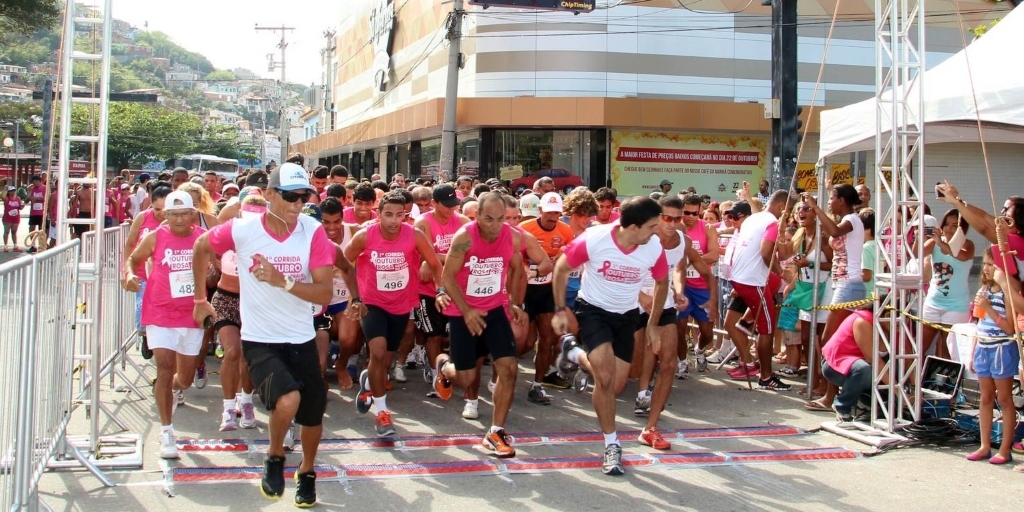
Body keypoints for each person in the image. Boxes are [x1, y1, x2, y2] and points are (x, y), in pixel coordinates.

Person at [192, 163, 337, 506]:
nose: (298, 204)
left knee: (313, 415)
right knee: (288, 400)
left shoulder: (312, 232)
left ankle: (308, 471)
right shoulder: (242, 229)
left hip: (301, 336)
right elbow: (200, 246)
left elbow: (324, 294)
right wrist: (200, 299)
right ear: (269, 195)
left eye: (304, 197)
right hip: (259, 339)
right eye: (290, 196)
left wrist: (282, 280)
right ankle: (275, 456)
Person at [552, 196, 669, 476]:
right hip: (593, 310)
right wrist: (559, 309)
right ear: (633, 226)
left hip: (626, 315)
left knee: (615, 384)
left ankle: (574, 353)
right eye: (652, 226)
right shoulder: (595, 239)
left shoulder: (653, 246)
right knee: (603, 379)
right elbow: (561, 268)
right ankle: (612, 444)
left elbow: (662, 282)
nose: (657, 231)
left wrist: (652, 324)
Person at [433, 192, 527, 457]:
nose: (494, 225)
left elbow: (517, 267)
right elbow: (447, 276)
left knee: (509, 368)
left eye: (500, 219)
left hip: (495, 308)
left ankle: (495, 432)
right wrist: (466, 310)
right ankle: (443, 366)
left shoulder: (513, 236)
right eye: (488, 218)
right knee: (466, 377)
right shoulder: (465, 237)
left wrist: (514, 301)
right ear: (477, 216)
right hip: (463, 310)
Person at [345, 191, 445, 437]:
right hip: (372, 303)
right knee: (377, 353)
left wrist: (440, 290)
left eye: (398, 215)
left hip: (401, 304)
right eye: (387, 214)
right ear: (378, 214)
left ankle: (369, 381)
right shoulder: (365, 235)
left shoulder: (414, 235)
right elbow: (344, 263)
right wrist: (354, 297)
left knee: (386, 360)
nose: (393, 220)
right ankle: (382, 413)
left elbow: (435, 264)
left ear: (405, 215)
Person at [121, 191, 205, 459]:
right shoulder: (156, 236)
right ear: (165, 215)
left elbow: (215, 264)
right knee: (165, 368)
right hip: (160, 312)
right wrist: (130, 274)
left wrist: (212, 272)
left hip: (191, 315)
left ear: (193, 214)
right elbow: (133, 258)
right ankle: (167, 431)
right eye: (173, 214)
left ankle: (168, 387)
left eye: (184, 214)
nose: (179, 219)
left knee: (186, 378)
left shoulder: (201, 238)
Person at [634, 196, 716, 450]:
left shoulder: (683, 241)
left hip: (664, 303)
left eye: (677, 219)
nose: (671, 223)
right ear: (657, 217)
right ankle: (639, 390)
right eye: (666, 218)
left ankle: (650, 427)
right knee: (627, 369)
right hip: (632, 300)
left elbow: (686, 270)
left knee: (668, 362)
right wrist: (642, 295)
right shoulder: (642, 239)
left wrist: (681, 291)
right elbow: (621, 272)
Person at [722, 193, 791, 391]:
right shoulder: (771, 222)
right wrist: (782, 272)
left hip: (742, 278)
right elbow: (766, 252)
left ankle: (757, 366)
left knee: (762, 326)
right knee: (767, 329)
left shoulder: (754, 218)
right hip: (754, 281)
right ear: (780, 206)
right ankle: (766, 377)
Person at [210, 195, 264, 432]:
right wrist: (238, 203)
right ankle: (228, 408)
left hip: (254, 302)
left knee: (247, 356)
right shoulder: (232, 233)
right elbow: (215, 224)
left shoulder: (268, 239)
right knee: (232, 351)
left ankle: (247, 400)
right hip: (225, 298)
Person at [412, 184, 470, 391]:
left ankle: (451, 367)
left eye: (453, 205)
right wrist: (451, 257)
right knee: (433, 335)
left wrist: (438, 259)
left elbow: (468, 251)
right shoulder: (422, 223)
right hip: (428, 289)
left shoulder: (462, 221)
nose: (450, 209)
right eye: (446, 205)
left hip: (455, 289)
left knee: (452, 335)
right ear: (433, 204)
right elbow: (425, 255)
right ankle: (438, 376)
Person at [520, 192, 576, 402]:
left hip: (548, 289)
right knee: (524, 343)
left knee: (548, 338)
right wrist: (528, 267)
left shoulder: (566, 230)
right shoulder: (526, 229)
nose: (553, 216)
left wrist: (556, 262)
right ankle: (503, 376)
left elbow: (569, 258)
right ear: (540, 210)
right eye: (549, 212)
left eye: (556, 213)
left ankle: (537, 384)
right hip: (525, 289)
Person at [966, 251, 1020, 465]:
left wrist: (989, 308)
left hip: (1002, 349)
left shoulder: (1007, 292)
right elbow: (979, 323)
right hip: (984, 347)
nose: (987, 268)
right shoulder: (983, 289)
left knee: (1004, 399)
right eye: (986, 264)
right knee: (986, 397)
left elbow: (1009, 328)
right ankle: (985, 445)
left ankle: (1005, 449)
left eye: (992, 265)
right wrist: (973, 350)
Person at [919, 209, 974, 359]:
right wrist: (919, 238)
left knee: (945, 349)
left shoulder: (968, 245)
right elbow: (916, 253)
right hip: (932, 303)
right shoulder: (935, 242)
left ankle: (942, 381)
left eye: (954, 225)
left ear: (962, 228)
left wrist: (941, 243)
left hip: (956, 306)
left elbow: (962, 255)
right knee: (920, 345)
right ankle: (915, 379)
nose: (949, 228)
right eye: (946, 224)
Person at [677, 193, 720, 373]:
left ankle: (700, 349)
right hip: (682, 285)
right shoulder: (677, 227)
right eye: (687, 213)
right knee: (680, 328)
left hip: (702, 285)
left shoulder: (707, 228)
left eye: (695, 213)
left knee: (707, 331)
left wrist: (693, 259)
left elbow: (714, 255)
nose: (691, 217)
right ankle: (682, 361)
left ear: (700, 211)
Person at [820, 308, 877, 422]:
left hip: (859, 364)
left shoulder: (901, 325)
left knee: (894, 366)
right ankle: (843, 406)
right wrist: (899, 393)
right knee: (864, 369)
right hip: (835, 366)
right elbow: (874, 360)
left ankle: (865, 400)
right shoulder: (863, 320)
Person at [2, 185, 23, 251]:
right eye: (11, 191)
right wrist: (5, 189)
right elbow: (2, 196)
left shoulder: (18, 198)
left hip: (16, 218)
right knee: (6, 232)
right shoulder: (7, 199)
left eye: (13, 190)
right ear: (8, 192)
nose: (13, 192)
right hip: (7, 218)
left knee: (14, 232)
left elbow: (20, 207)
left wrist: (22, 206)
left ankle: (15, 246)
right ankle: (5, 246)